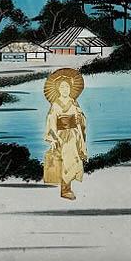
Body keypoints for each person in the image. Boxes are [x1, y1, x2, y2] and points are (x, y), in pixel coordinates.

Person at [43, 67, 87, 200]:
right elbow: (51, 122)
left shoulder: (73, 102)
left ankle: (68, 186)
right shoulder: (56, 105)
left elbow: (81, 117)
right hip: (62, 136)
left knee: (74, 160)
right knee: (66, 161)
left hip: (75, 134)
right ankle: (65, 189)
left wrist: (80, 118)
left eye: (67, 87)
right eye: (62, 87)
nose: (65, 89)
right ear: (58, 89)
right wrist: (53, 139)